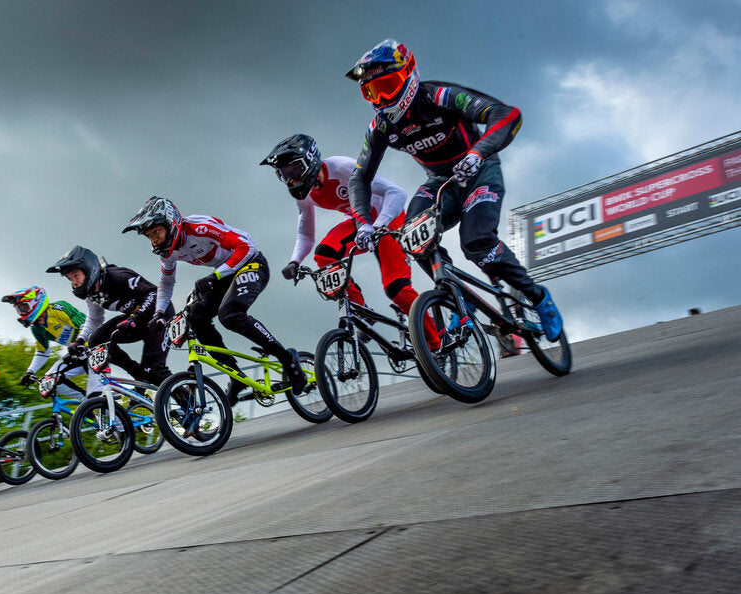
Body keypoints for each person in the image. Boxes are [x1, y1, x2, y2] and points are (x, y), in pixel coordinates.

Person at [345, 38, 564, 341]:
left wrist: (478, 153)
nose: (381, 98)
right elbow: (359, 178)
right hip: (441, 182)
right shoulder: (381, 126)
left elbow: (507, 114)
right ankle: (457, 298)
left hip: (479, 171)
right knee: (412, 237)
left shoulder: (438, 96)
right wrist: (363, 222)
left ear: (408, 75)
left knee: (476, 242)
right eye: (371, 91)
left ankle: (538, 298)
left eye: (387, 86)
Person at [260, 133, 439, 348]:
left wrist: (380, 225)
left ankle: (434, 343)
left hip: (388, 218)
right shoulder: (305, 195)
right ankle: (361, 310)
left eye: (294, 170)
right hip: (359, 224)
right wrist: (295, 261)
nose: (291, 180)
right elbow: (306, 233)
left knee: (397, 289)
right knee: (324, 253)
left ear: (310, 159)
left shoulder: (341, 167)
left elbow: (396, 193)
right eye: (284, 175)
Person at [121, 195, 306, 403]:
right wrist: (159, 313)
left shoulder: (200, 228)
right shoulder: (167, 252)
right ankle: (236, 376)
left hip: (251, 263)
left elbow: (247, 248)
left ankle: (286, 358)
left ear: (171, 223)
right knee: (195, 317)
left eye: (156, 232)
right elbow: (166, 283)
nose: (154, 239)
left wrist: (214, 276)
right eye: (149, 235)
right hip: (223, 274)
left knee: (230, 315)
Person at [44, 245, 173, 393]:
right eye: (70, 279)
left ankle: (188, 401)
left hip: (159, 315)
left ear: (88, 269)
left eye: (75, 276)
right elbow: (94, 319)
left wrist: (135, 317)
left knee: (155, 370)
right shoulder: (92, 293)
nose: (74, 282)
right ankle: (138, 374)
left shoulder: (117, 276)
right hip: (136, 321)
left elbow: (153, 294)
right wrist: (80, 340)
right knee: (96, 339)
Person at [0, 285, 89, 399]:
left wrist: (80, 344)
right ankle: (87, 402)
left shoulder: (59, 308)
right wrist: (30, 372)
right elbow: (43, 352)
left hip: (93, 347)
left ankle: (104, 403)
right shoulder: (37, 329)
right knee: (50, 380)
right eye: (19, 310)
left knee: (95, 387)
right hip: (76, 355)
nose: (22, 313)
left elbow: (85, 324)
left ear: (36, 302)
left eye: (24, 307)